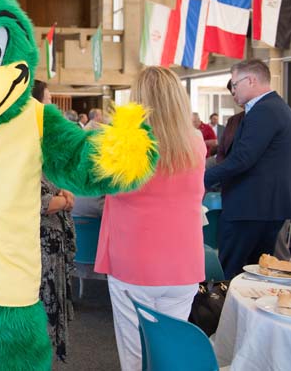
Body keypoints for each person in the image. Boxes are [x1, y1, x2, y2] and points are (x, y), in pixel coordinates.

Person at [95, 66, 205, 371]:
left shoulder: (123, 144)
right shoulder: (195, 141)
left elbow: (99, 188)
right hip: (184, 266)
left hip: (133, 263)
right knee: (169, 355)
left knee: (135, 356)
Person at [205, 59, 291, 279]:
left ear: (251, 80)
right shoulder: (275, 107)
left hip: (250, 208)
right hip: (263, 208)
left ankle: (224, 314)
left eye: (235, 85)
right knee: (255, 273)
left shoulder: (265, 110)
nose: (233, 90)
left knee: (230, 272)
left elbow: (243, 158)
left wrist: (202, 177)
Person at [33, 83, 76, 362]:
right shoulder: (25, 140)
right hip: (37, 244)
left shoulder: (43, 139)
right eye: (48, 100)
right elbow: (36, 199)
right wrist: (62, 201)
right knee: (40, 309)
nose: (52, 105)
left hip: (52, 242)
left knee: (51, 307)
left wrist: (63, 192)